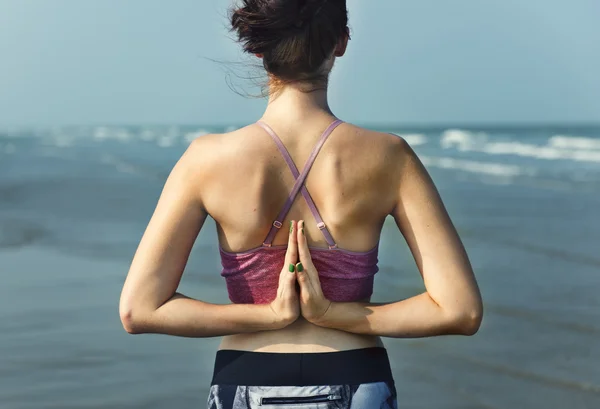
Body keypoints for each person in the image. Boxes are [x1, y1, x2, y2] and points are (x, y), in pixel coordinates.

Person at [119, 0, 483, 407]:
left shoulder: (206, 159)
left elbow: (140, 310)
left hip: (245, 375)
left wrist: (269, 315)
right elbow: (460, 311)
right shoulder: (390, 157)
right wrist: (332, 314)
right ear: (340, 43)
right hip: (355, 374)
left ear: (257, 47)